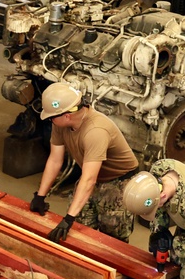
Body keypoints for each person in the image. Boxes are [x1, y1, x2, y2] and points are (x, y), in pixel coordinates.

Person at [28, 82, 141, 244]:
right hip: (92, 174)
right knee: (78, 228)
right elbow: (55, 160)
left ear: (66, 115)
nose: (49, 120)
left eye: (51, 117)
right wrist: (40, 195)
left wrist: (68, 218)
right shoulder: (60, 121)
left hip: (119, 181)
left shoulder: (96, 131)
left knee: (112, 237)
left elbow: (89, 179)